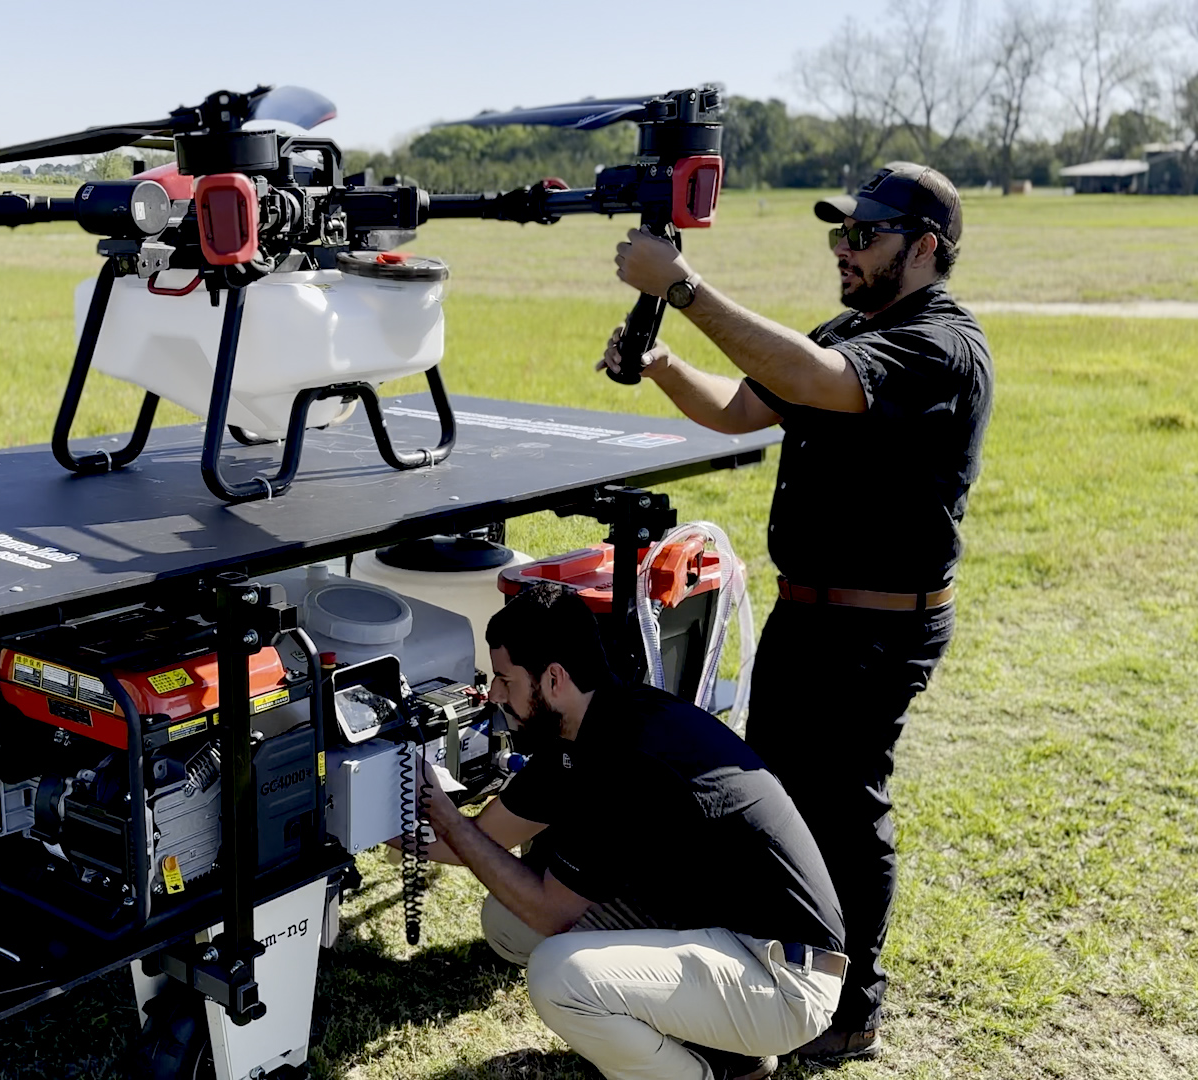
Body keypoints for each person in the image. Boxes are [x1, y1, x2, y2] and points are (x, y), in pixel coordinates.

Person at [600, 161, 994, 1059]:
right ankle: (779, 964)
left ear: (925, 247)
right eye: (839, 235)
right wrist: (660, 362)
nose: (844, 251)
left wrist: (683, 287)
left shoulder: (939, 344)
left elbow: (815, 379)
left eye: (863, 236)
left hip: (879, 625)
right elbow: (743, 406)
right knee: (779, 795)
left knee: (845, 806)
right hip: (810, 613)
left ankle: (851, 1009)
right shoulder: (851, 329)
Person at [413, 581, 847, 1080]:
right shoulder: (586, 723)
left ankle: (705, 1072)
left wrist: (445, 815)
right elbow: (487, 835)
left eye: (505, 680)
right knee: (509, 921)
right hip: (724, 934)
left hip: (783, 978)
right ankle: (726, 1049)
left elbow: (551, 910)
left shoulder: (626, 760)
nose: (493, 694)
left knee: (558, 974)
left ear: (553, 679)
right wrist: (391, 827)